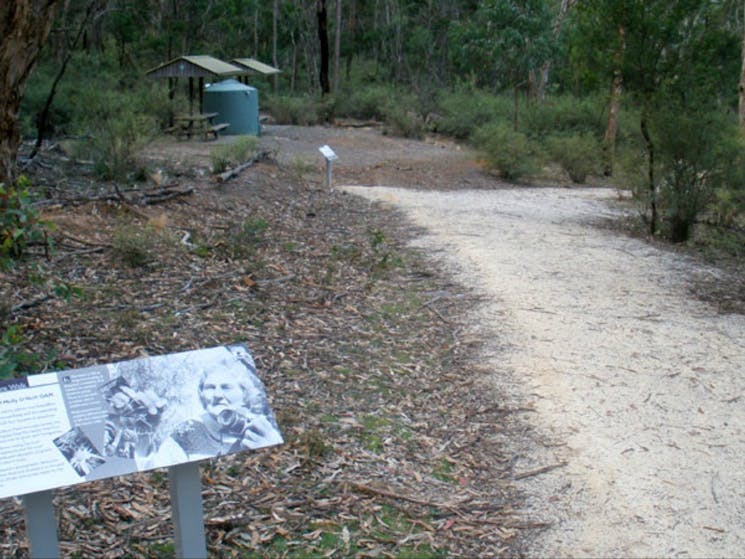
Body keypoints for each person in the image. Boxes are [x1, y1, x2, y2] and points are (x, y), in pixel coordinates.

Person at [147, 366, 282, 467]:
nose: (217, 395)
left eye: (226, 387)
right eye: (210, 388)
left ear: (244, 393)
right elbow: (158, 463)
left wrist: (268, 448)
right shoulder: (186, 431)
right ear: (202, 394)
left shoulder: (262, 426)